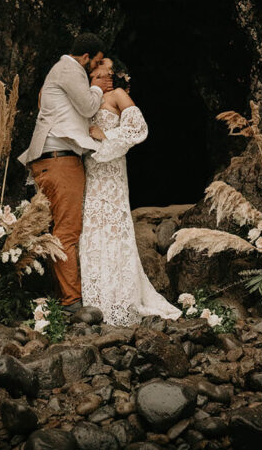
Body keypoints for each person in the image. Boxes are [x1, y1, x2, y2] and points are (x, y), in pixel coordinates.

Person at [79, 58, 182, 325]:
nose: (110, 73)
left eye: (113, 69)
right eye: (104, 67)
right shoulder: (83, 98)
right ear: (91, 70)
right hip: (90, 171)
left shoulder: (118, 94)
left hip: (112, 171)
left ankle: (121, 300)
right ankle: (95, 301)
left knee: (114, 229)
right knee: (92, 231)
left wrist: (106, 137)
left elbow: (138, 128)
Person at [17, 33, 112, 313]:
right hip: (60, 161)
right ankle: (72, 302)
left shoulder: (57, 72)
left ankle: (60, 296)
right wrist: (96, 87)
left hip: (48, 160)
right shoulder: (70, 69)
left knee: (54, 231)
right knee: (68, 231)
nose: (93, 69)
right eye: (93, 63)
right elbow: (88, 106)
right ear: (85, 57)